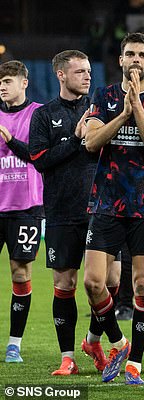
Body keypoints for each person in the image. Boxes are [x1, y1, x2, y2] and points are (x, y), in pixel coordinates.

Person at [83, 32, 144, 385]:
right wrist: (123, 114)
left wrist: (137, 106)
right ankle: (119, 343)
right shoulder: (104, 96)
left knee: (141, 283)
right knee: (93, 282)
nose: (136, 59)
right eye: (130, 54)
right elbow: (91, 142)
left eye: (142, 55)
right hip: (106, 200)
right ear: (121, 60)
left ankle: (134, 363)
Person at [28, 50, 120, 375]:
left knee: (110, 280)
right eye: (80, 71)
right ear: (61, 75)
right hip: (61, 211)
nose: (87, 76)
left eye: (89, 71)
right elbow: (38, 159)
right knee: (64, 283)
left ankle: (94, 340)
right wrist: (75, 139)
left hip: (101, 210)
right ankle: (68, 357)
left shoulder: (101, 111)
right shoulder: (43, 115)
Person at [0, 60, 43, 363]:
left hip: (26, 208)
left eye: (8, 80)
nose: (2, 86)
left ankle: (14, 344)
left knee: (20, 272)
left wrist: (10, 140)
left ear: (24, 83)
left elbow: (38, 155)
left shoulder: (38, 115)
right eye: (0, 82)